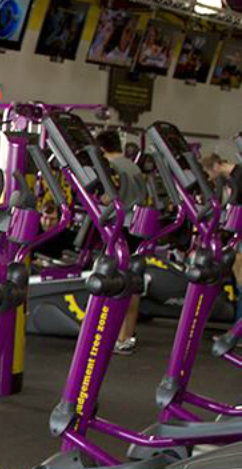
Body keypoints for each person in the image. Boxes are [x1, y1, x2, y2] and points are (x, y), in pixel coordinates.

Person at [95, 129, 144, 354]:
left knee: (115, 281)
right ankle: (126, 336)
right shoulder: (132, 165)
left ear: (102, 149)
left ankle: (114, 336)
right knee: (131, 282)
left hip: (120, 227)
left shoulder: (112, 168)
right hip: (137, 226)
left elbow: (108, 198)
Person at [199, 151, 242, 322]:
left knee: (240, 279)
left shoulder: (238, 177)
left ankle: (237, 333)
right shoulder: (233, 177)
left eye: (209, 173)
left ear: (216, 166)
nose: (210, 178)